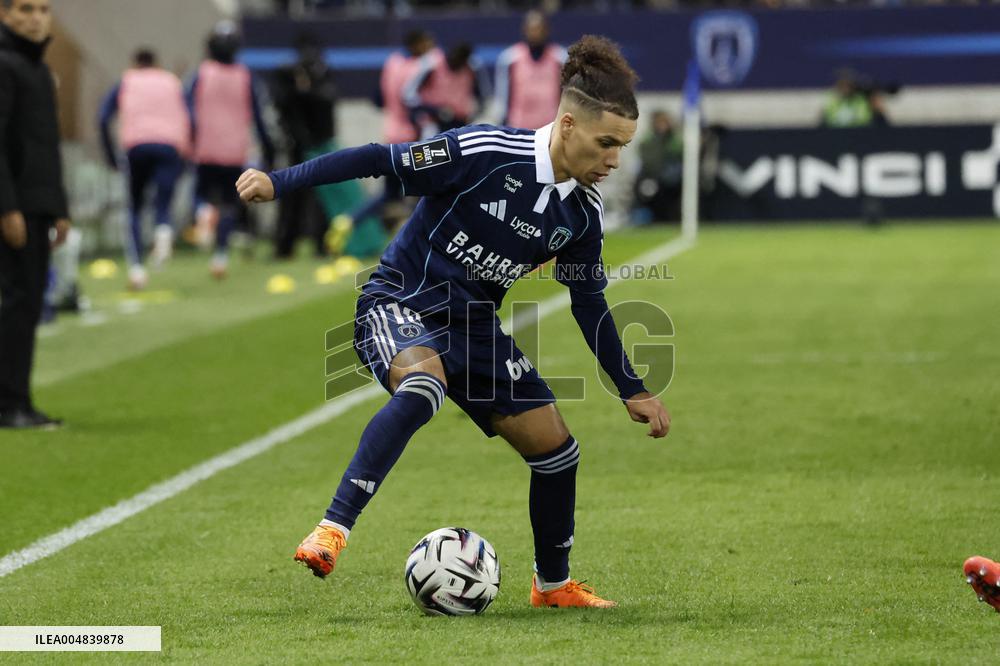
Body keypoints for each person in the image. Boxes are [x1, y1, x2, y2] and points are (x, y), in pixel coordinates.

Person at [238, 35, 670, 608]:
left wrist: (631, 387)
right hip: (400, 301)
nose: (614, 160)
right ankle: (332, 530)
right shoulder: (484, 152)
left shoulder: (582, 214)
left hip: (474, 326)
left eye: (622, 147)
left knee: (557, 452)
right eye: (606, 143)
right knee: (424, 386)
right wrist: (279, 181)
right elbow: (378, 159)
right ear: (567, 125)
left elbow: (588, 301)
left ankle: (552, 586)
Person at [0, 0, 69, 429]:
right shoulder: (5, 65)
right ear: (5, 14)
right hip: (15, 208)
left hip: (38, 205)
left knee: (28, 305)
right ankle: (9, 403)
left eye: (43, 9)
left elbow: (46, 147)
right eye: (25, 8)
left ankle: (18, 398)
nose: (36, 17)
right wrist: (6, 207)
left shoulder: (39, 70)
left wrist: (58, 207)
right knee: (17, 304)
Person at [187, 21, 275, 278]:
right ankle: (220, 257)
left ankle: (204, 214)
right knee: (230, 204)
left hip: (206, 148)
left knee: (200, 194)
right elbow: (259, 117)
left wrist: (190, 138)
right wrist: (268, 148)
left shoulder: (201, 73)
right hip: (235, 151)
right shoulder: (246, 76)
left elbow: (187, 108)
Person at [99, 48, 190, 289]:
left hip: (136, 146)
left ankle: (137, 270)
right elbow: (190, 118)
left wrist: (110, 154)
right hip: (170, 147)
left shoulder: (127, 80)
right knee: (163, 202)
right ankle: (162, 236)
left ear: (134, 63)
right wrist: (186, 155)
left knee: (134, 207)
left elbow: (103, 117)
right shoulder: (172, 82)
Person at [494, 10, 566, 130]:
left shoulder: (561, 59)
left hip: (550, 130)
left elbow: (566, 96)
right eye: (532, 29)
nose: (535, 33)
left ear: (546, 30)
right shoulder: (509, 59)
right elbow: (501, 99)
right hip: (518, 130)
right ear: (525, 30)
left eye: (539, 29)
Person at [402, 42, 490, 138]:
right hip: (432, 122)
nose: (456, 65)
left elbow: (484, 96)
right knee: (431, 144)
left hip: (460, 123)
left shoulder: (472, 67)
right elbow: (408, 94)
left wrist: (474, 114)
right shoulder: (433, 63)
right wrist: (434, 110)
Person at [633, 110, 683, 223]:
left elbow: (678, 159)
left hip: (670, 180)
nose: (662, 126)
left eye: (664, 122)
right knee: (644, 191)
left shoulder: (675, 140)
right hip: (651, 177)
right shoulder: (647, 141)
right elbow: (647, 161)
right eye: (659, 122)